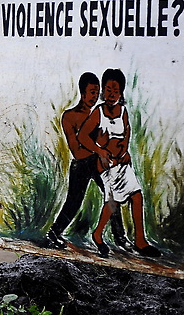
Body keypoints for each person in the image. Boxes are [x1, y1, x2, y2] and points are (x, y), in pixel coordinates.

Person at [77, 68, 161, 258]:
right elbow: (82, 135)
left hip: (122, 163)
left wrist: (124, 152)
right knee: (112, 202)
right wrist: (100, 150)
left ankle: (140, 239)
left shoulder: (123, 111)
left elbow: (127, 132)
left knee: (136, 196)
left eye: (115, 90)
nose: (111, 94)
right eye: (107, 89)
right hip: (106, 165)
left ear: (121, 92)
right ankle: (98, 234)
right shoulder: (99, 112)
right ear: (102, 91)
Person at [45, 72, 129, 251]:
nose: (94, 96)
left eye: (97, 92)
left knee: (112, 194)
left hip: (98, 162)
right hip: (82, 164)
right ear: (82, 93)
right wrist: (98, 147)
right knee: (74, 202)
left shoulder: (99, 113)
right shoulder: (70, 116)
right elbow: (76, 149)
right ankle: (54, 233)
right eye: (91, 92)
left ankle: (120, 237)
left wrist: (102, 148)